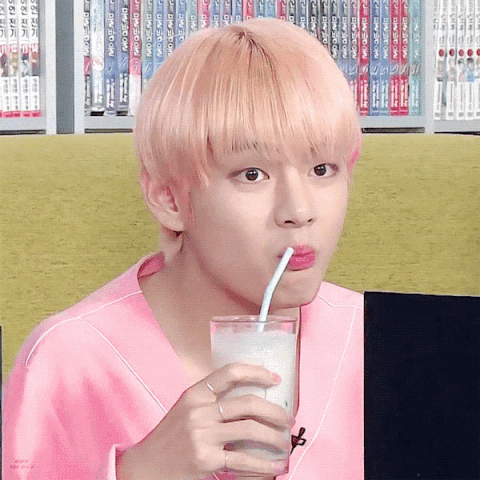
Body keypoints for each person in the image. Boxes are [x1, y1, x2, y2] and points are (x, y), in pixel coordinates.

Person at [3, 18, 363, 480]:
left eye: (323, 169)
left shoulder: (380, 341)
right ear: (169, 199)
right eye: (252, 174)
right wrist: (136, 473)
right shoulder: (66, 361)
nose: (299, 210)